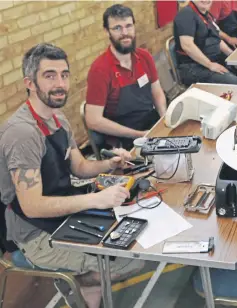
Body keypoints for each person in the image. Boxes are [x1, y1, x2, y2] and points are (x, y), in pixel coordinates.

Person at [0, 43, 144, 308]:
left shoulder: (58, 118)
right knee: (129, 259)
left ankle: (86, 289)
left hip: (64, 208)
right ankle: (76, 283)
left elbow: (78, 167)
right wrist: (96, 200)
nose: (60, 84)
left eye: (64, 75)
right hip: (34, 232)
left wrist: (109, 164)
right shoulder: (22, 133)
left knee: (136, 236)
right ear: (29, 83)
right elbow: (32, 206)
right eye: (50, 75)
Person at [86, 4, 167, 151]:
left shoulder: (144, 56)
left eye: (128, 26)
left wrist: (164, 119)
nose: (125, 33)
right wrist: (139, 135)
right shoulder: (100, 70)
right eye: (117, 28)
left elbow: (157, 91)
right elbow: (93, 120)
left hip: (151, 124)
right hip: (124, 139)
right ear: (107, 31)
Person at [173, 0, 237, 86]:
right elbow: (187, 45)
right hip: (193, 67)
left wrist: (233, 55)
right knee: (235, 83)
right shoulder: (186, 14)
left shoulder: (206, 15)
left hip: (210, 61)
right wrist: (210, 65)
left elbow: (216, 39)